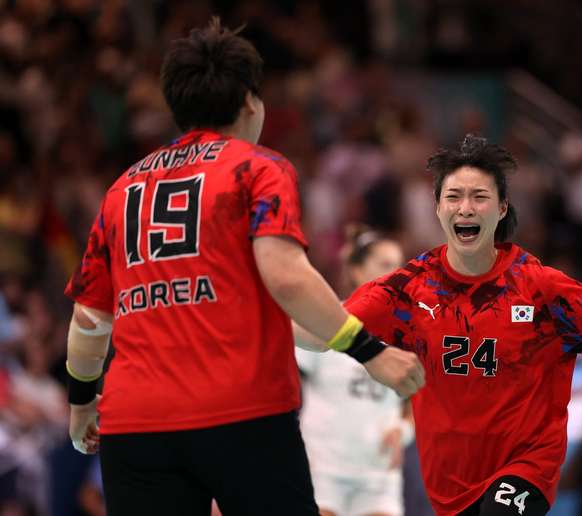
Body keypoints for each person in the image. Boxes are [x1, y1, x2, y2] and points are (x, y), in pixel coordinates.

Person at [62, 18, 424, 516]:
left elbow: (89, 320)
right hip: (243, 418)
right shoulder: (258, 168)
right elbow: (287, 276)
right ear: (251, 103)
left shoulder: (121, 190)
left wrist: (82, 404)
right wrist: (370, 351)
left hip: (135, 425)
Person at [302, 134, 582, 516]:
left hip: (525, 466)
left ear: (501, 209)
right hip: (450, 482)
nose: (466, 208)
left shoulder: (539, 287)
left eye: (480, 197)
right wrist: (274, 313)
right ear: (437, 207)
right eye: (454, 196)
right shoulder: (409, 289)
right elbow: (326, 330)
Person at [296, 227, 413, 516]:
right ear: (357, 271)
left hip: (378, 473)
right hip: (323, 468)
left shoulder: (410, 331)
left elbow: (416, 397)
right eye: (385, 266)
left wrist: (404, 430)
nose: (395, 274)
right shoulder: (326, 320)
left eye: (399, 266)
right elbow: (287, 389)